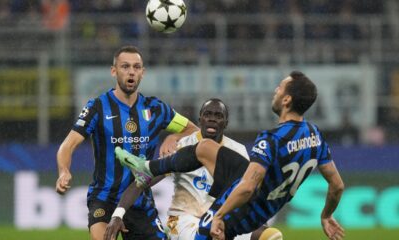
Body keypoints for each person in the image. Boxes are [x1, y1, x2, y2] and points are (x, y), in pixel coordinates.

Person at [116, 71, 345, 240]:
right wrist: (326, 215)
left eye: (280, 88)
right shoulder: (315, 135)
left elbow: (246, 188)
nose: (276, 90)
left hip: (241, 209)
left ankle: (150, 170)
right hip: (256, 200)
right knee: (205, 148)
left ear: (286, 100)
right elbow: (337, 186)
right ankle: (147, 167)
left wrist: (219, 216)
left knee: (255, 234)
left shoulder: (271, 139)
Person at [55, 45, 198, 240]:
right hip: (105, 199)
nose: (131, 72)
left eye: (136, 67)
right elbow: (68, 145)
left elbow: (193, 130)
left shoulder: (156, 109)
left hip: (140, 201)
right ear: (114, 71)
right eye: (125, 66)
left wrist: (172, 136)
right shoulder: (97, 107)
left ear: (142, 72)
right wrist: (64, 170)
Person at [105, 98, 262, 240]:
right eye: (208, 114)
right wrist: (117, 215)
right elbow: (142, 181)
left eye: (218, 115)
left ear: (226, 122)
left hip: (218, 219)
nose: (212, 119)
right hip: (182, 220)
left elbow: (246, 189)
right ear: (200, 119)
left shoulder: (238, 150)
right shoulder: (181, 147)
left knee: (270, 236)